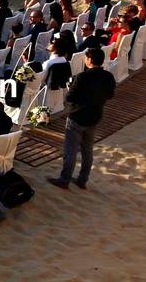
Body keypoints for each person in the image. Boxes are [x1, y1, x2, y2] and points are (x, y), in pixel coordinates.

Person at [48, 48, 116, 190]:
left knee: (70, 150)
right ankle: (82, 179)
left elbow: (69, 97)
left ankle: (64, 179)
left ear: (90, 60)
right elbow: (110, 95)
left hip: (77, 116)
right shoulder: (108, 77)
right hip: (95, 115)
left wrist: (70, 87)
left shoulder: (82, 77)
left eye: (86, 58)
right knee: (87, 150)